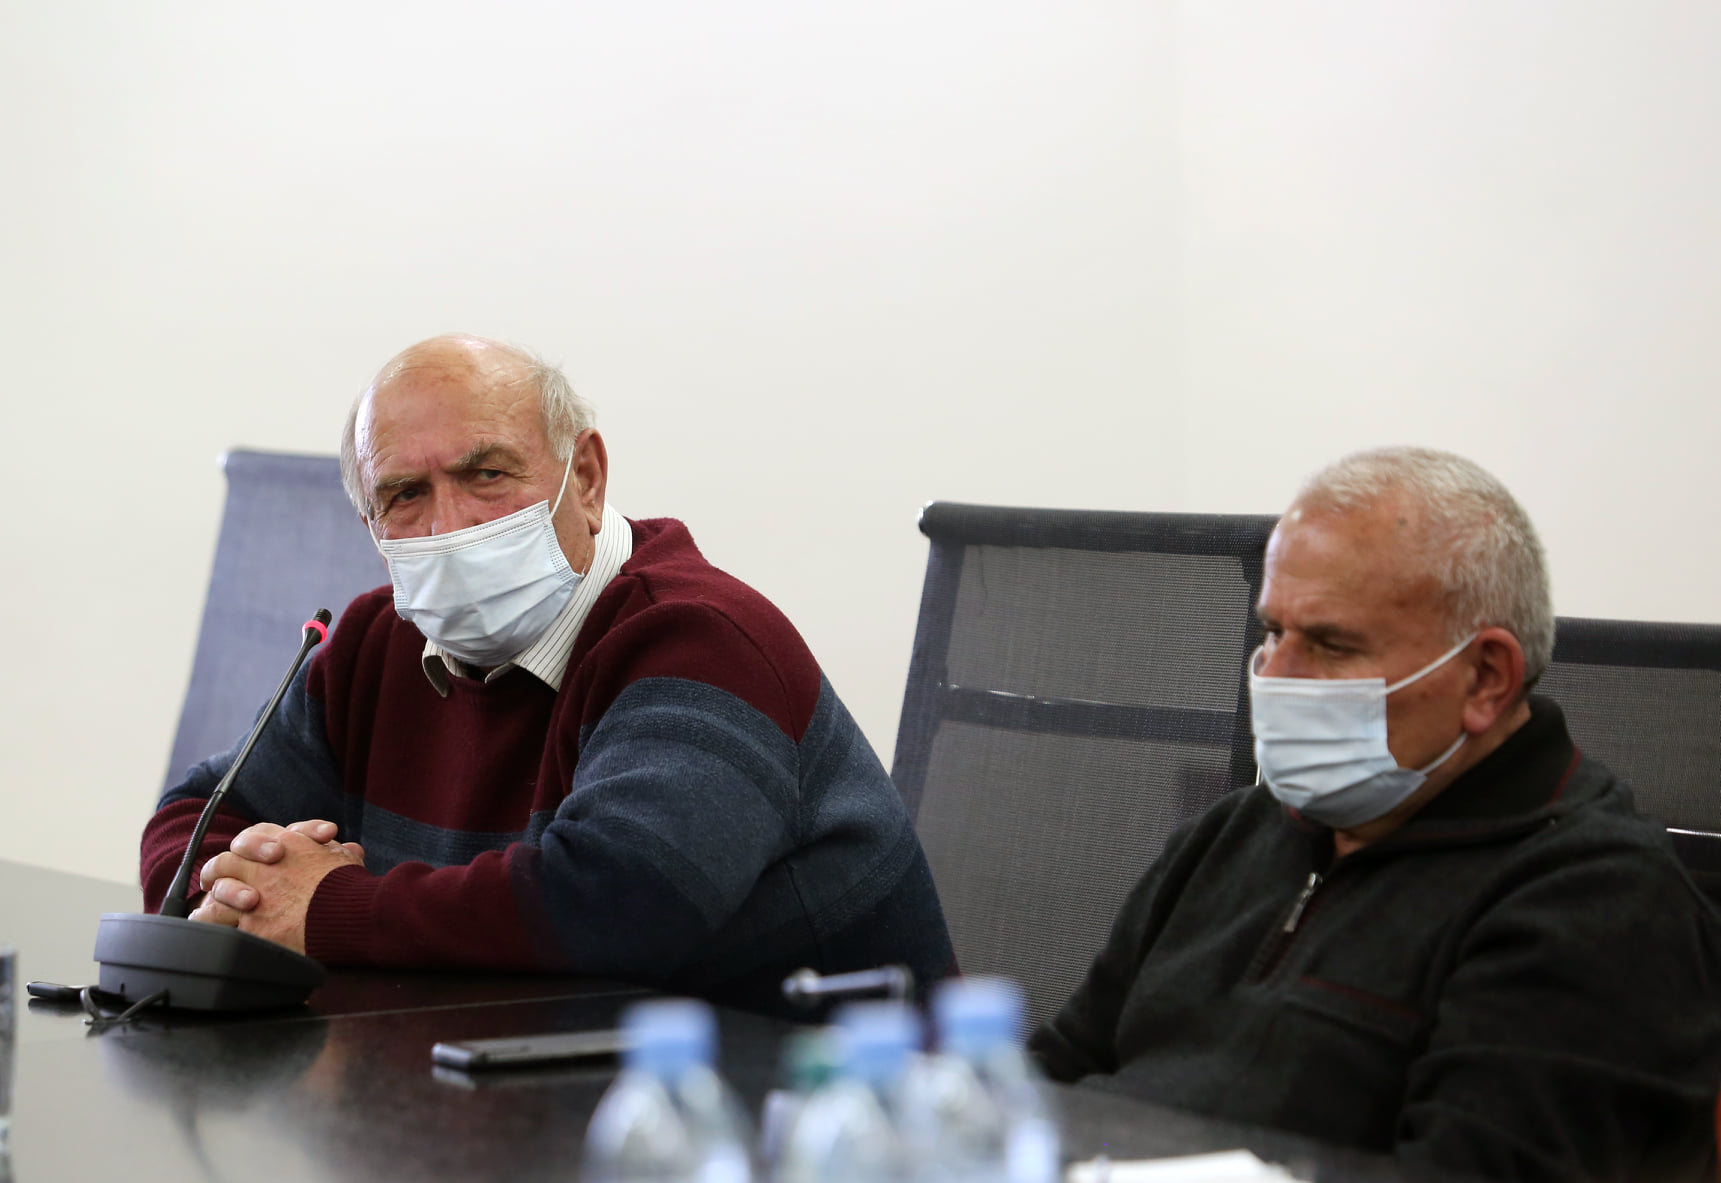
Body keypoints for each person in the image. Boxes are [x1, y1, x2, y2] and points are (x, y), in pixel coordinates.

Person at [140, 334, 954, 1015]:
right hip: (511, 1077)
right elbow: (190, 817)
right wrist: (243, 895)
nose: (451, 524)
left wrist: (327, 906)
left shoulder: (700, 639)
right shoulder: (369, 644)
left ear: (586, 478)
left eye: (487, 474)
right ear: (371, 526)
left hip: (816, 1103)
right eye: (405, 494)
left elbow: (622, 901)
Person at [1029, 447, 1721, 1181]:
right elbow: (1060, 1067)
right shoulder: (1234, 832)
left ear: (1485, 677)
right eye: (1273, 632)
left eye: (1330, 644)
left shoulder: (1596, 901)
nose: (1275, 676)